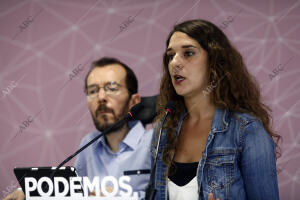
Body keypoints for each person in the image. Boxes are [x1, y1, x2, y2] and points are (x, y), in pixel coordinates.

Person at [151, 19, 281, 200]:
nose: (175, 63)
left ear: (215, 61)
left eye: (188, 53)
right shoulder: (163, 130)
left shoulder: (247, 130)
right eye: (170, 56)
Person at [3, 57, 153, 200]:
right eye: (93, 91)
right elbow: (70, 192)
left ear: (134, 101)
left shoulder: (155, 141)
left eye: (111, 88)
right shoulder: (89, 144)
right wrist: (29, 194)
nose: (101, 97)